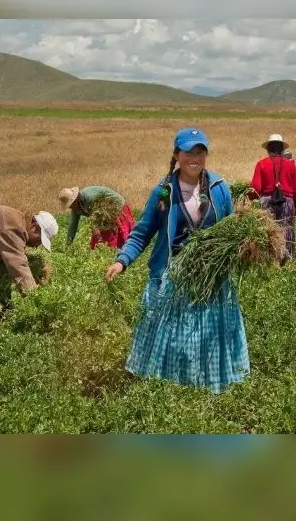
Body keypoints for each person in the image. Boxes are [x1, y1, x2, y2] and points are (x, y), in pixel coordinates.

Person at [104, 127, 250, 394]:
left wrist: (245, 244)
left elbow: (231, 229)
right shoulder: (163, 192)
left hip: (210, 278)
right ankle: (171, 389)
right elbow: (142, 232)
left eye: (200, 152)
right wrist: (122, 261)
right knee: (175, 339)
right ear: (176, 154)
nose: (194, 158)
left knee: (207, 336)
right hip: (173, 275)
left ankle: (207, 387)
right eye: (188, 152)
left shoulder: (219, 188)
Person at [248, 133, 296, 265]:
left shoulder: (261, 164)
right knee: (287, 229)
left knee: (268, 231)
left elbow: (255, 187)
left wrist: (250, 197)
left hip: (267, 201)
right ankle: (285, 261)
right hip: (287, 201)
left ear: (268, 149)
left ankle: (269, 260)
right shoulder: (290, 165)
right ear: (282, 149)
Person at [57, 185, 136, 250]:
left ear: (76, 198)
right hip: (103, 215)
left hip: (115, 206)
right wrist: (67, 247)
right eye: (70, 205)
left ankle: (122, 253)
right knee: (100, 240)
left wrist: (99, 239)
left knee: (111, 235)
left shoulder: (90, 198)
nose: (71, 207)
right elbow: (72, 226)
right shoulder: (75, 208)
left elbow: (96, 224)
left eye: (71, 203)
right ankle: (107, 252)